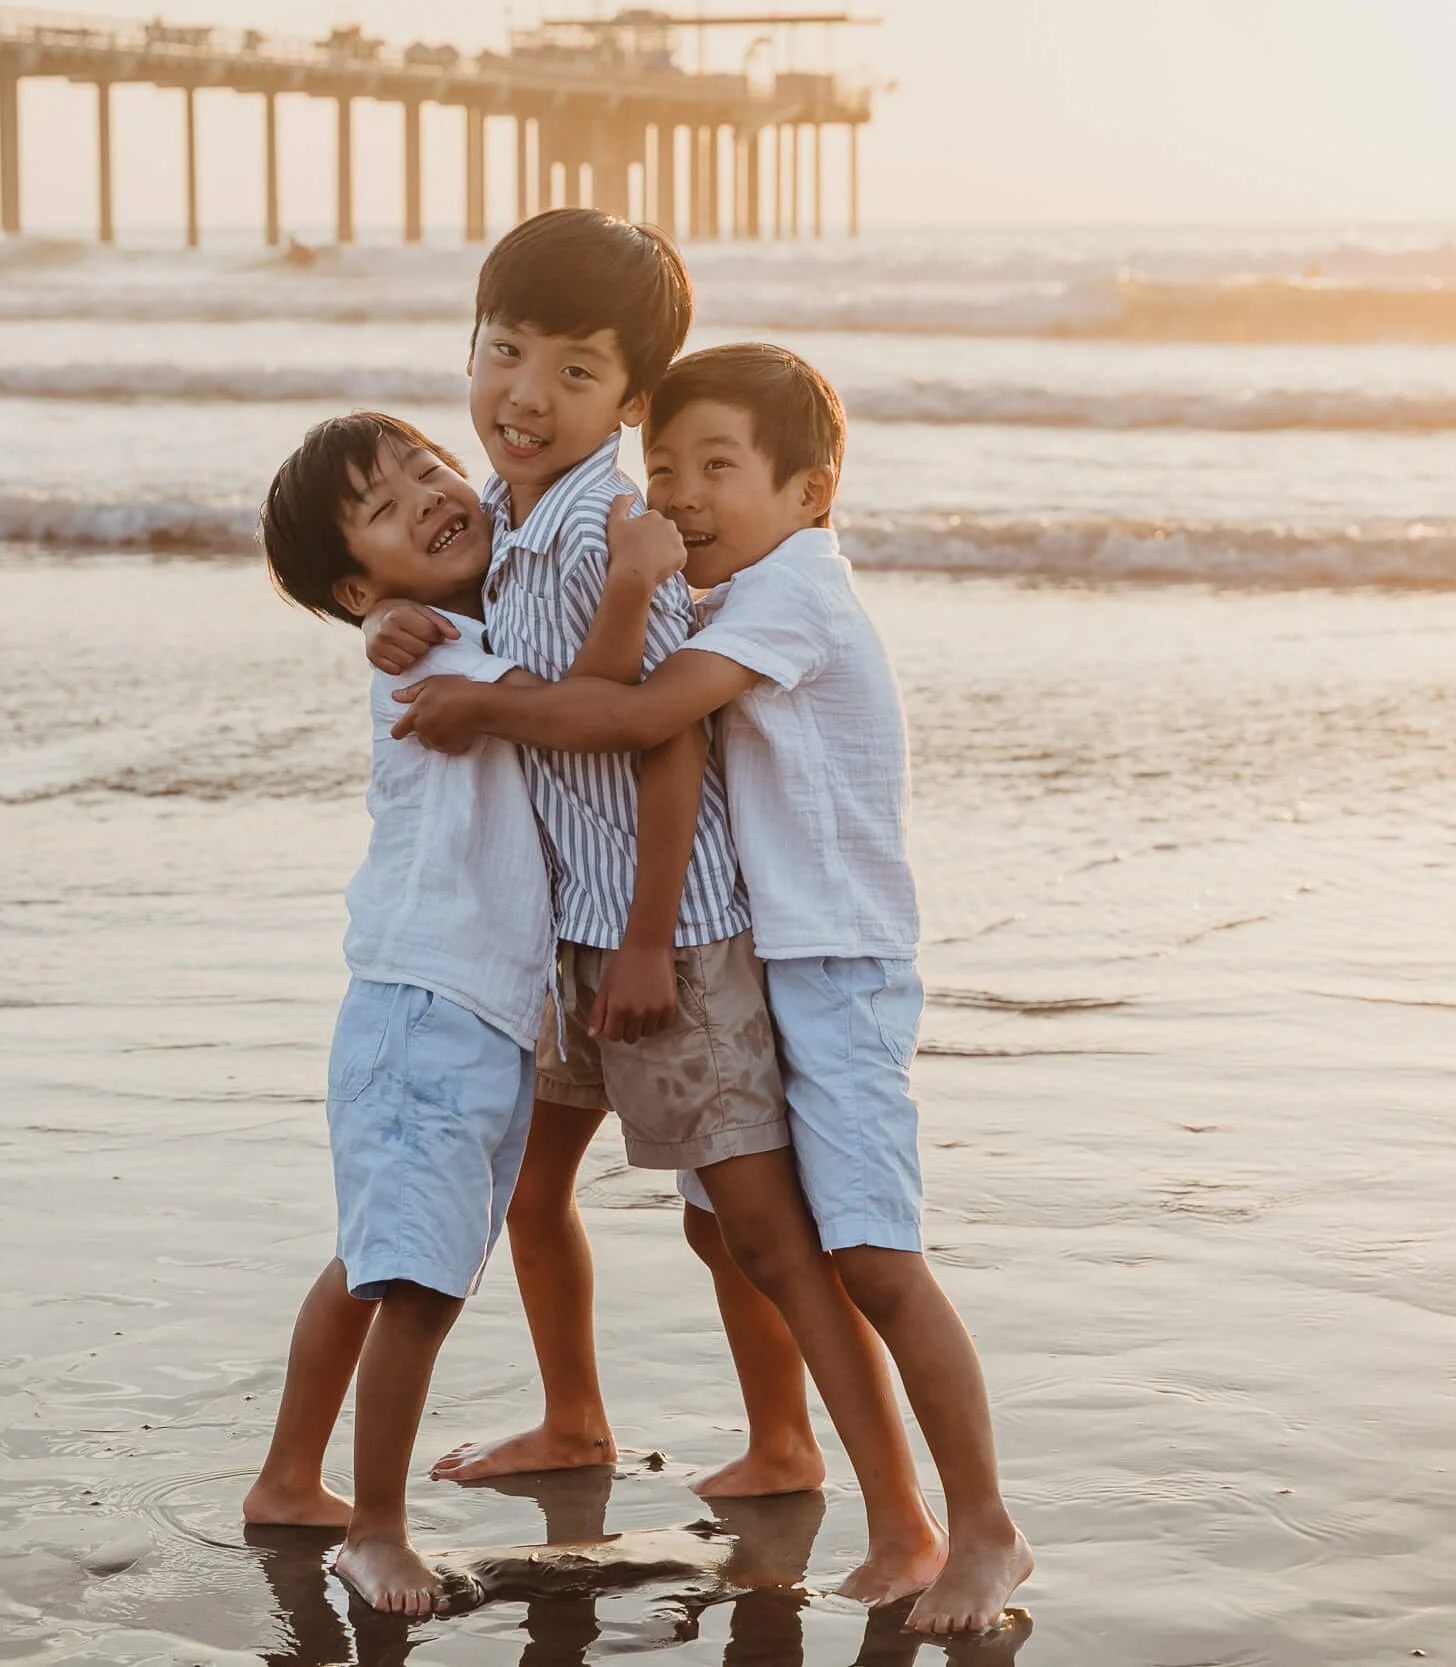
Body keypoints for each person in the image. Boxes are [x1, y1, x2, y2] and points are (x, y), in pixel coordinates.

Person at [391, 343, 1035, 1633]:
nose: (680, 495)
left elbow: (638, 720)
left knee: (870, 1254)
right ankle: (790, 1450)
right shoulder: (737, 581)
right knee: (723, 1224)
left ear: (812, 490)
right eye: (667, 464)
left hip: (829, 963)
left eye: (718, 469)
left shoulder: (790, 592)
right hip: (769, 946)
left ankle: (976, 1531)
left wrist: (479, 704)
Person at [237, 412, 552, 1616]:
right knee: (416, 1278)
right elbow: (561, 697)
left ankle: (285, 1476)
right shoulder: (432, 662)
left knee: (375, 1258)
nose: (429, 492)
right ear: (360, 583)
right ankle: (375, 1530)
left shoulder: (441, 627)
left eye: (429, 468)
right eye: (385, 504)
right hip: (432, 1006)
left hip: (434, 1002)